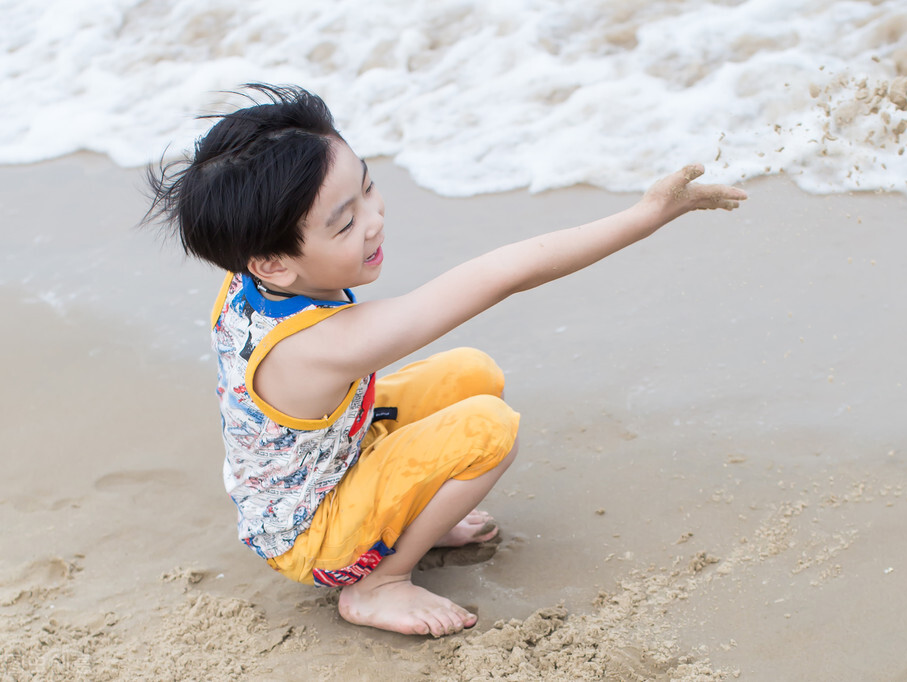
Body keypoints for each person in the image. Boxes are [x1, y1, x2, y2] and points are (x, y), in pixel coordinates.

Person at [145, 83, 747, 638]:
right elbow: (505, 274)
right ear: (272, 262)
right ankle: (377, 583)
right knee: (490, 429)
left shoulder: (253, 274)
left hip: (313, 463)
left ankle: (404, 522)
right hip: (312, 535)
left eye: (368, 186)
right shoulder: (326, 344)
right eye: (347, 221)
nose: (375, 218)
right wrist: (646, 215)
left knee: (472, 375)